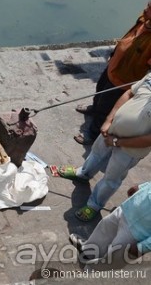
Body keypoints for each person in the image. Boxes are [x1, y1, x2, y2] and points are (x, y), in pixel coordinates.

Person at [58, 71, 151, 222]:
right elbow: (129, 93)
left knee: (111, 179)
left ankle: (94, 205)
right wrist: (109, 120)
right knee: (95, 154)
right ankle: (83, 173)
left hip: (130, 149)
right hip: (110, 130)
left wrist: (117, 142)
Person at [76, 0, 151, 145]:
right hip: (112, 67)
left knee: (106, 107)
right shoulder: (143, 20)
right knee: (99, 92)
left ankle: (92, 134)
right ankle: (93, 108)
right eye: (148, 5)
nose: (145, 9)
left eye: (150, 8)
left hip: (124, 79)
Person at [70, 182, 151, 263]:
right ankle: (88, 252)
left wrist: (144, 247)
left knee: (114, 256)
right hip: (128, 208)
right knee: (104, 229)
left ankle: (92, 271)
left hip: (139, 232)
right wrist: (141, 187)